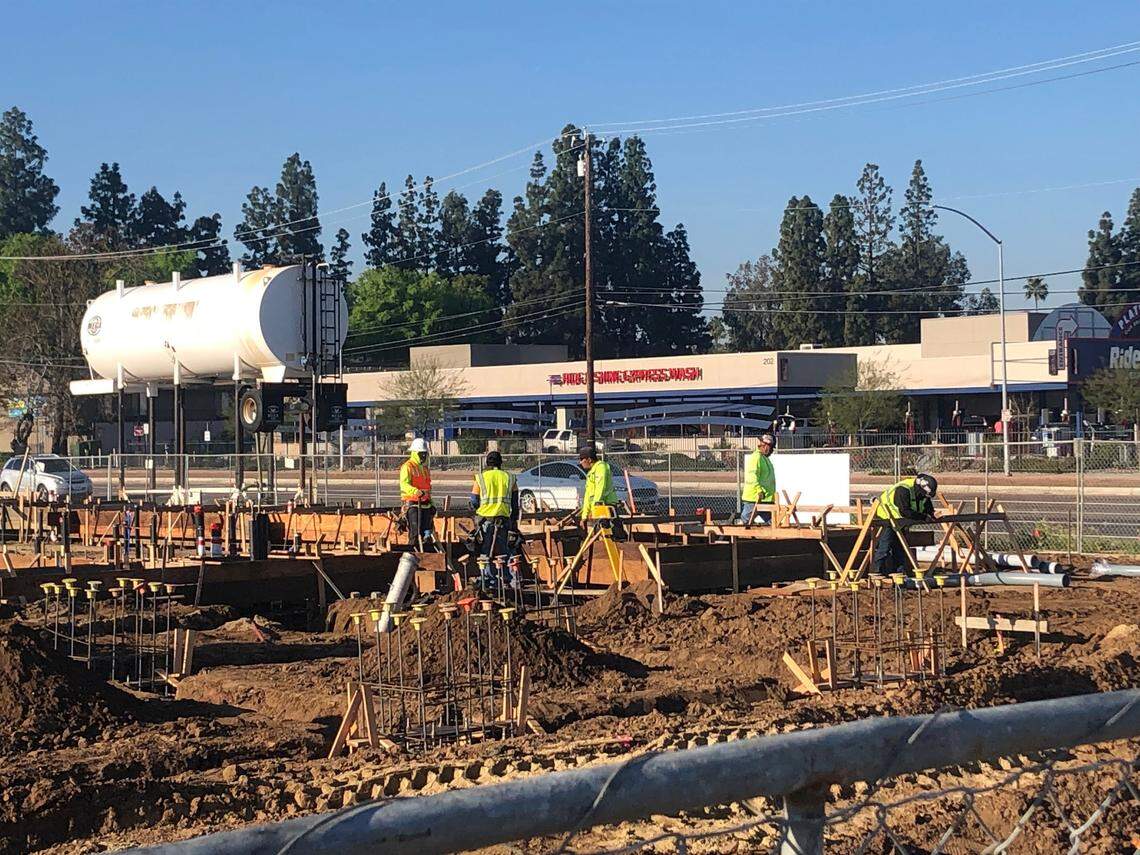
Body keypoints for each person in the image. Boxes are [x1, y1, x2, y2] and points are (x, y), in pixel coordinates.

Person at [469, 450, 520, 587]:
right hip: (504, 520)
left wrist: (479, 509)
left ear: (487, 463)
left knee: (485, 551)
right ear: (501, 463)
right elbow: (515, 504)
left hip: (486, 521)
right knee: (506, 551)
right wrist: (514, 522)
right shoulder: (510, 478)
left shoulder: (480, 478)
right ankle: (509, 581)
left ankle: (488, 580)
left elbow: (474, 500)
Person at [871, 473, 938, 575]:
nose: (925, 496)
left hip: (900, 521)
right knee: (885, 547)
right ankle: (877, 573)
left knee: (900, 548)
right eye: (925, 494)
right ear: (920, 487)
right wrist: (923, 517)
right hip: (886, 518)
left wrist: (932, 513)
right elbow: (904, 511)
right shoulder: (903, 490)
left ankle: (899, 575)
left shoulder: (922, 493)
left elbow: (926, 505)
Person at [578, 443, 625, 538]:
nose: (580, 462)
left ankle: (621, 543)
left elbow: (601, 488)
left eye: (582, 459)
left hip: (607, 504)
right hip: (598, 506)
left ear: (589, 460)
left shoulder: (601, 468)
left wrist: (595, 506)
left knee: (611, 530)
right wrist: (584, 516)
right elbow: (588, 496)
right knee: (602, 531)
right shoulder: (591, 473)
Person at [399, 438, 435, 549]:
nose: (423, 456)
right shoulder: (407, 467)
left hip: (426, 505)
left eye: (425, 454)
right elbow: (404, 485)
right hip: (413, 504)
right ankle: (411, 555)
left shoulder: (425, 469)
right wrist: (416, 491)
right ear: (415, 453)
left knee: (427, 533)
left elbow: (428, 488)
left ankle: (427, 556)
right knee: (415, 533)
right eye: (421, 454)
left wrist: (432, 503)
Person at [740, 432, 777, 524]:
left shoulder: (764, 458)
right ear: (765, 446)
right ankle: (741, 535)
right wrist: (759, 491)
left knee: (773, 523)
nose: (772, 451)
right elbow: (752, 476)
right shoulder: (756, 458)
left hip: (766, 499)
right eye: (771, 448)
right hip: (754, 498)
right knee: (746, 521)